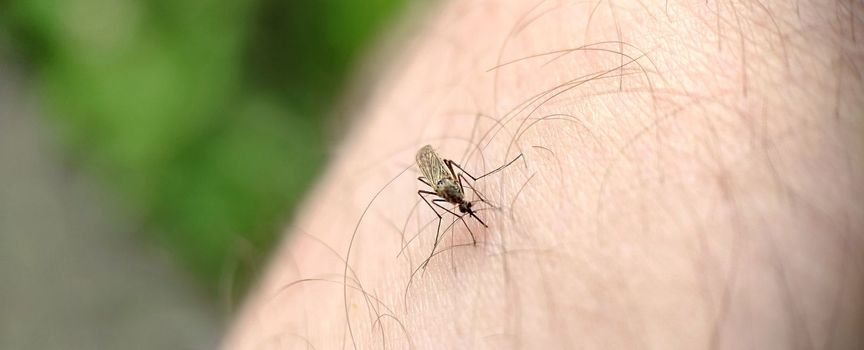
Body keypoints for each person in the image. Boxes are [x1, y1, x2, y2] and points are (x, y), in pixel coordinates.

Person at [226, 1, 863, 348]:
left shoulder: (455, 178)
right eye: (459, 198)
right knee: (443, 185)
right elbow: (439, 177)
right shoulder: (441, 186)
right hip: (436, 173)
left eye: (461, 196)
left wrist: (466, 190)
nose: (463, 198)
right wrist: (454, 199)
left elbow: (450, 171)